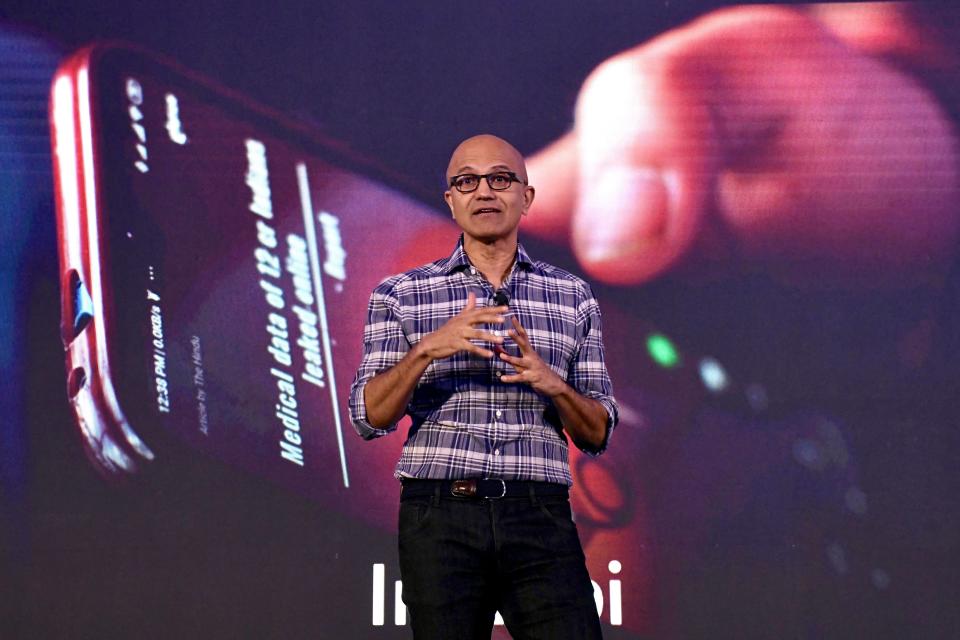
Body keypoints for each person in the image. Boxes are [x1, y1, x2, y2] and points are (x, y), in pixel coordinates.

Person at [348, 134, 619, 639]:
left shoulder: (572, 296)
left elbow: (598, 432)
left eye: (500, 179)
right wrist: (428, 348)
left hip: (538, 513)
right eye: (467, 182)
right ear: (450, 200)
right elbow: (368, 417)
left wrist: (552, 384)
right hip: (440, 514)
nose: (484, 192)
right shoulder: (400, 294)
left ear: (526, 196)